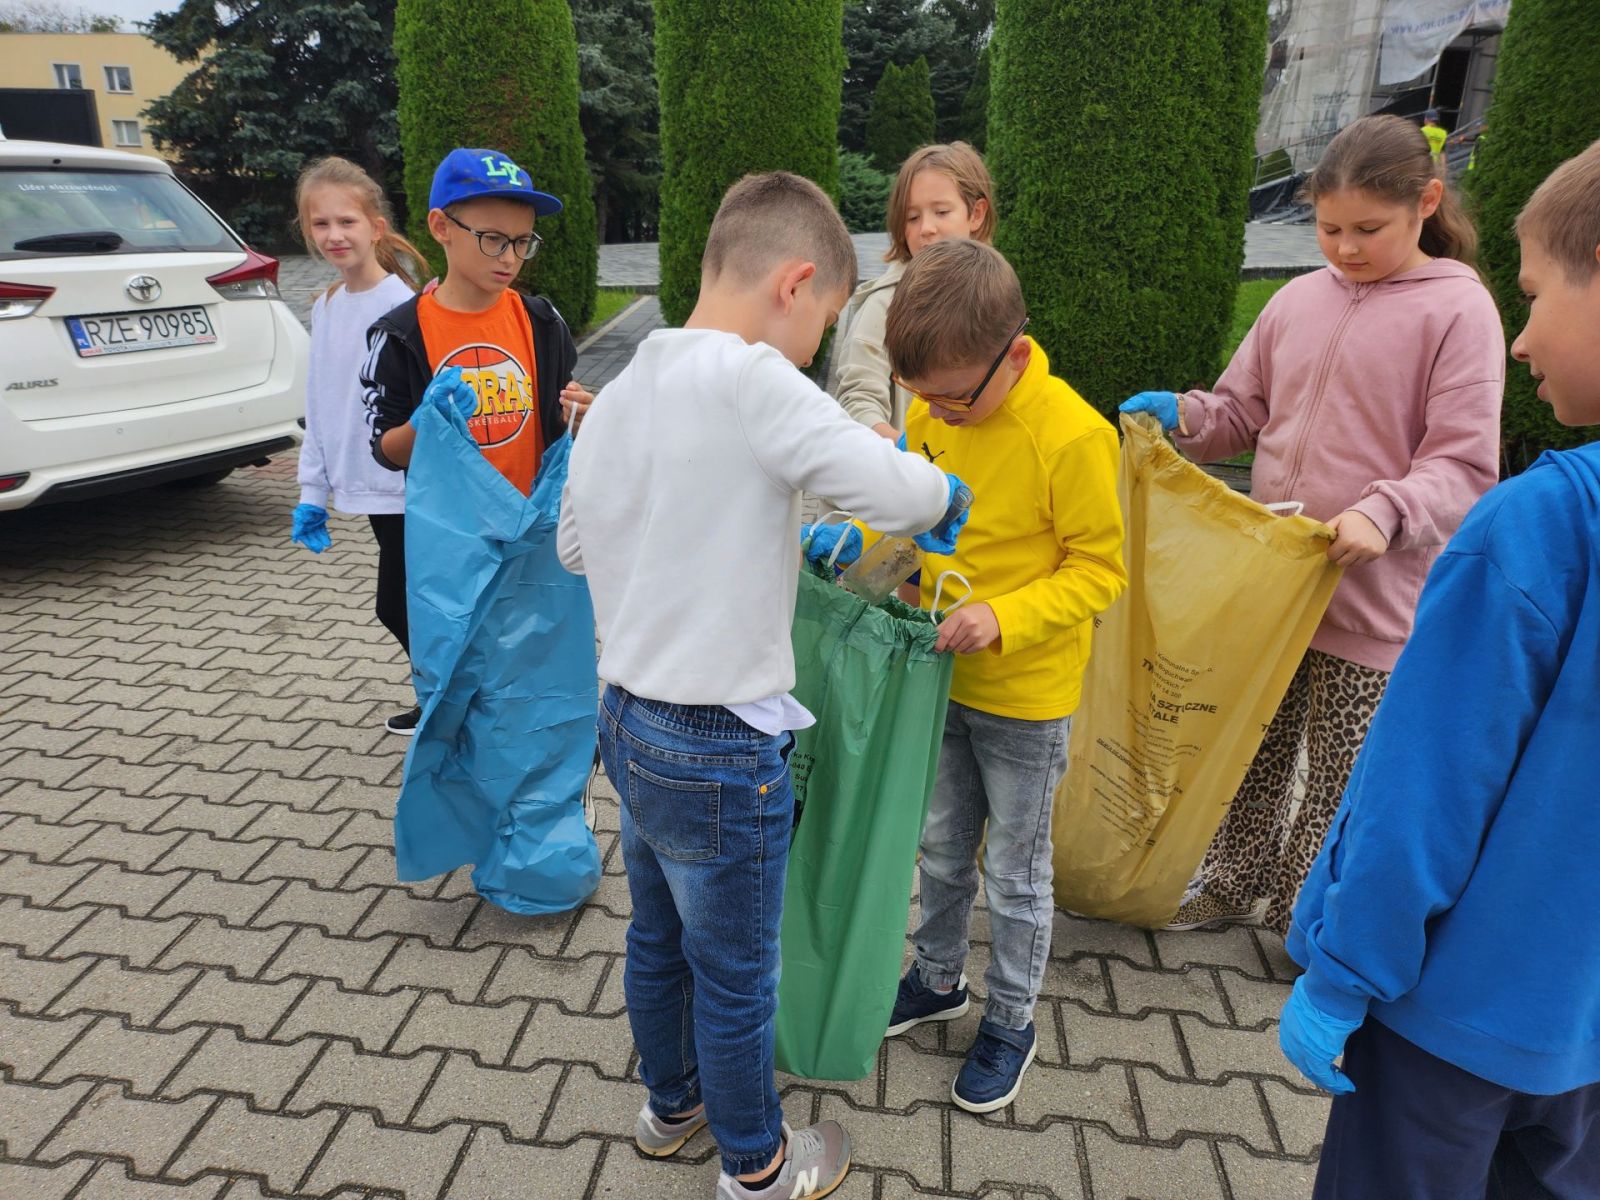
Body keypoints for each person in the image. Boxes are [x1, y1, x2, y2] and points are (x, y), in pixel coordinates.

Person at [557, 172, 963, 1200]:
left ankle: (671, 1107)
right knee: (737, 975)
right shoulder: (751, 378)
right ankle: (757, 1167)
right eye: (826, 319)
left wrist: (755, 530)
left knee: (657, 937)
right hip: (718, 746)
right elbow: (898, 491)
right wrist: (933, 484)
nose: (817, 345)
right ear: (793, 283)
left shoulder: (621, 389)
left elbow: (575, 547)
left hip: (627, 720)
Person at [1279, 137, 1600, 1200]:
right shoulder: (1302, 301)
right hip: (1580, 1033)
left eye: (1537, 295)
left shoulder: (1540, 527)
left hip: (1450, 1023)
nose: (1523, 337)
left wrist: (1344, 970)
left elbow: (1420, 793)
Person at [1120, 113, 1503, 935]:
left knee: (1341, 776)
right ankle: (1229, 884)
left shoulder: (1459, 312)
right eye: (1329, 229)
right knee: (1251, 749)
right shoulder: (1296, 299)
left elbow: (1465, 465)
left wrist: (1383, 512)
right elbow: (1240, 412)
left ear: (1426, 203)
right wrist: (1186, 415)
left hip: (1374, 599)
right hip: (1275, 589)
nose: (1345, 248)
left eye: (1369, 229)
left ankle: (1309, 914)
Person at [867, 239, 1127, 1113]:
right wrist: (857, 558)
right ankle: (938, 978)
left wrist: (1003, 617)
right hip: (940, 682)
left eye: (953, 396)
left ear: (1014, 356)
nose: (937, 413)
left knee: (1015, 872)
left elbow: (1100, 571)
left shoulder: (1073, 435)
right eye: (923, 397)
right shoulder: (934, 410)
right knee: (942, 847)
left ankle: (1011, 1019)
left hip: (1025, 699)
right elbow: (910, 527)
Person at [361, 147, 594, 731]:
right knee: (460, 670)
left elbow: (559, 423)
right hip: (451, 541)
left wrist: (581, 415)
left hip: (529, 527)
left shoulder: (541, 322)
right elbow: (385, 449)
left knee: (531, 659)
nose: (510, 257)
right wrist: (426, 424)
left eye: (523, 241)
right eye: (492, 239)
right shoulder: (402, 334)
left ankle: (531, 749)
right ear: (441, 226)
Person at [289, 157, 427, 735]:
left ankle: (451, 704)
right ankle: (441, 700)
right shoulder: (327, 306)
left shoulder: (408, 306)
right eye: (320, 224)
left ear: (376, 226)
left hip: (410, 483)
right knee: (410, 605)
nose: (334, 235)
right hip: (368, 484)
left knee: (400, 604)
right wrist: (312, 490)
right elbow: (320, 399)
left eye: (346, 221)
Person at [827, 142, 995, 439]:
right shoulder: (885, 304)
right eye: (912, 217)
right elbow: (857, 402)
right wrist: (908, 455)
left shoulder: (995, 296)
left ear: (976, 214)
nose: (926, 228)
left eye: (941, 212)